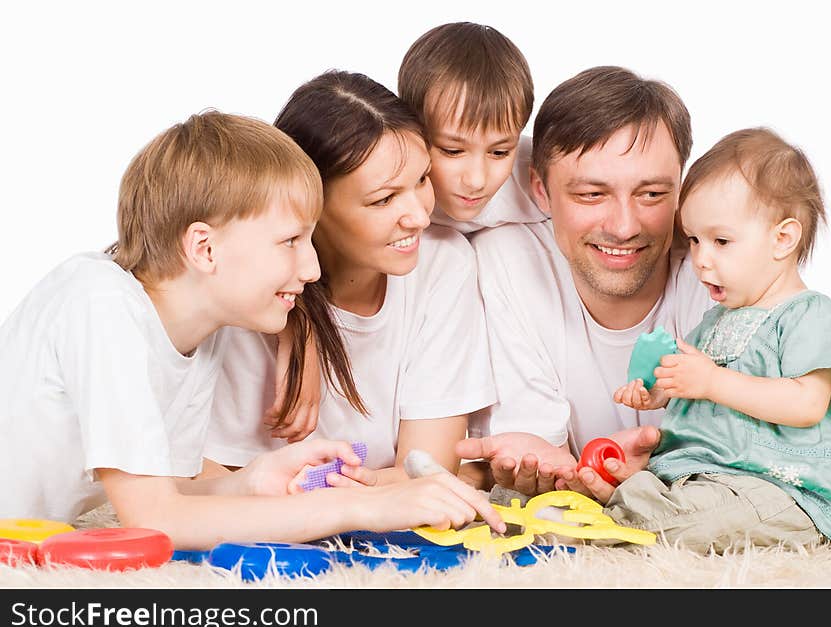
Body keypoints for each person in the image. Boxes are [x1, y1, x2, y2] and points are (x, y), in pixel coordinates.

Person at [0, 110, 505, 549]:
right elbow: (155, 519)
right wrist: (364, 509)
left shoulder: (199, 332)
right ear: (204, 248)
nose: (311, 270)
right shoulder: (101, 304)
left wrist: (253, 481)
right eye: (290, 241)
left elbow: (168, 495)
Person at [457, 66, 831, 500]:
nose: (623, 227)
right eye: (591, 194)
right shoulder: (504, 259)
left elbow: (768, 434)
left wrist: (658, 469)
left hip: (781, 440)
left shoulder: (717, 266)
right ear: (540, 190)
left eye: (652, 195)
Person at [203, 71, 498, 484]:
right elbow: (227, 481)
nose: (419, 216)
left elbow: (429, 468)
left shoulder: (442, 264)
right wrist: (302, 320)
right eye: (384, 199)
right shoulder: (249, 296)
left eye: (422, 179)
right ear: (312, 205)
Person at [606, 127, 831, 551]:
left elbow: (807, 404)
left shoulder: (809, 314)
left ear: (783, 239)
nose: (700, 258)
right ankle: (635, 506)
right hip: (708, 472)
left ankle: (640, 516)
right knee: (650, 489)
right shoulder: (714, 321)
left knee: (697, 524)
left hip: (784, 488)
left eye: (721, 241)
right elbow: (699, 392)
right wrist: (663, 393)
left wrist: (711, 381)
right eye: (693, 239)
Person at [397, 21, 547, 234]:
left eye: (499, 152)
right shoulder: (385, 185)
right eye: (453, 151)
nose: (476, 181)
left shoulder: (542, 180)